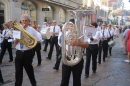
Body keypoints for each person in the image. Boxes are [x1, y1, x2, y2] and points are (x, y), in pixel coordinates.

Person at [14, 14, 40, 86]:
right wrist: (16, 39)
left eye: (26, 21)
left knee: (29, 71)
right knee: (18, 71)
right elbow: (15, 44)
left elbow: (38, 40)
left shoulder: (32, 30)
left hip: (27, 53)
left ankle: (33, 83)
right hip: (19, 52)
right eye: (23, 21)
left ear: (29, 22)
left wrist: (30, 41)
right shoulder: (17, 29)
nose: (24, 22)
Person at [60, 22, 89, 86]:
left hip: (78, 58)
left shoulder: (82, 34)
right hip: (67, 58)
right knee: (64, 81)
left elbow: (87, 45)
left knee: (77, 81)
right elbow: (60, 43)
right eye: (70, 26)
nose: (71, 27)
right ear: (68, 26)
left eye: (73, 26)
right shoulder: (64, 33)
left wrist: (77, 43)